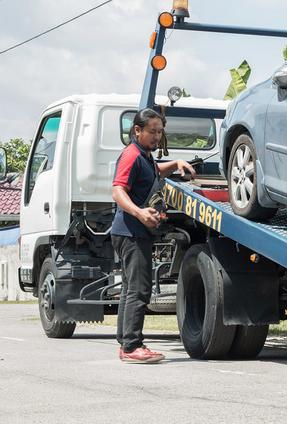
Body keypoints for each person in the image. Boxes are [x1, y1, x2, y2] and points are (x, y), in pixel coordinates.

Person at [111, 108, 195, 363]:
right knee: (139, 289)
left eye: (160, 132)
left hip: (133, 232)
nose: (157, 136)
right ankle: (132, 346)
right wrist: (138, 212)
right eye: (152, 131)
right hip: (131, 231)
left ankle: (125, 342)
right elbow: (117, 190)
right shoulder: (131, 155)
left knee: (129, 288)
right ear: (137, 130)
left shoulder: (145, 156)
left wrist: (176, 163)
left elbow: (156, 172)